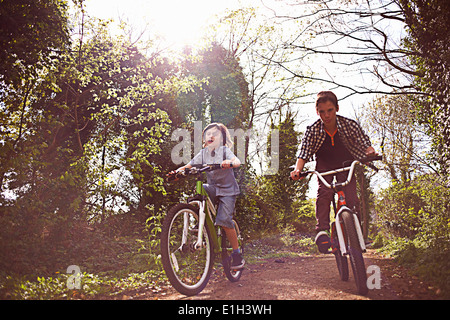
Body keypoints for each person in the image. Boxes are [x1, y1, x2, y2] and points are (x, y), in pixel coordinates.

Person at [290, 91, 376, 253]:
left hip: (346, 163)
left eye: (330, 110)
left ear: (336, 108)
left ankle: (354, 230)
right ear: (317, 112)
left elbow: (363, 141)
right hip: (325, 165)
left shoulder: (349, 125)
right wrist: (297, 170)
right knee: (324, 194)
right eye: (322, 111)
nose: (326, 115)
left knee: (351, 198)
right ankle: (322, 231)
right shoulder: (313, 130)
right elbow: (304, 152)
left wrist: (369, 150)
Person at [174, 122, 245, 269]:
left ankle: (237, 254)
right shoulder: (203, 153)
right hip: (213, 188)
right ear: (204, 139)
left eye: (215, 133)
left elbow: (236, 161)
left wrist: (229, 163)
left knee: (224, 220)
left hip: (227, 191)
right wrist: (177, 172)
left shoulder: (224, 151)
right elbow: (189, 166)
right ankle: (198, 220)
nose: (211, 136)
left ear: (222, 139)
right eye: (208, 134)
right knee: (200, 190)